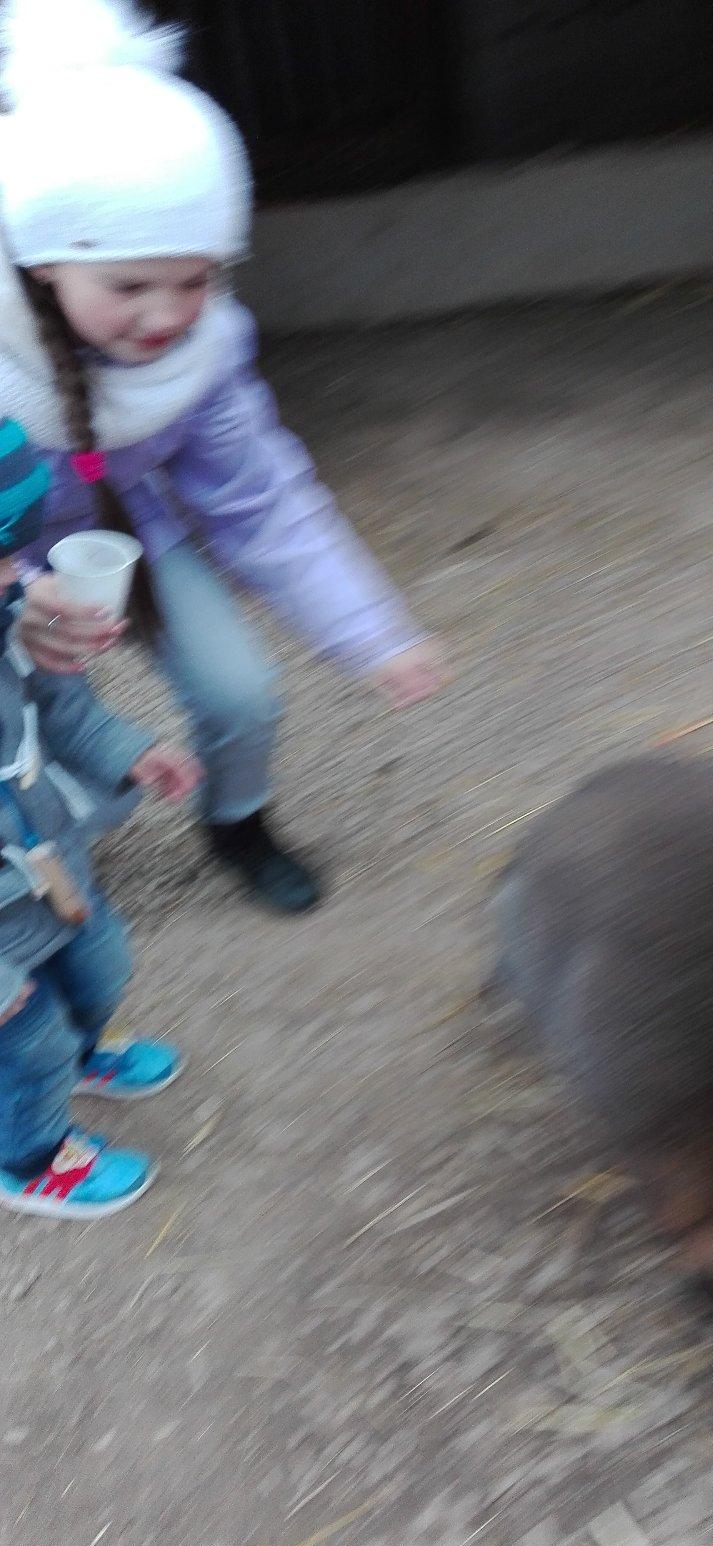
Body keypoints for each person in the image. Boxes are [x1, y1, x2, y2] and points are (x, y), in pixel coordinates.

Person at [0, 0, 446, 916]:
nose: (166, 316)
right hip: (10, 572)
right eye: (129, 284)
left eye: (194, 279)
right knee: (29, 731)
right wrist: (16, 593)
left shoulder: (205, 353)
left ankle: (238, 821)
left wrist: (369, 631)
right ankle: (37, 860)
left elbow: (261, 496)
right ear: (42, 263)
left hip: (134, 532)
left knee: (243, 695)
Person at [0, 413, 199, 1218]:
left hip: (53, 874)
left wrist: (128, 750)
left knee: (101, 969)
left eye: (11, 557)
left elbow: (63, 706)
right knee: (28, 1047)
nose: (11, 580)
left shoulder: (9, 618)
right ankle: (29, 1158)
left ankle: (84, 1054)